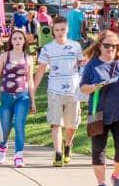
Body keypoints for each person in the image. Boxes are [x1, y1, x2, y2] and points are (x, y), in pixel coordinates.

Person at [79, 31, 119, 186]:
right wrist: (95, 86)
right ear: (100, 46)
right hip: (98, 112)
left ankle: (116, 176)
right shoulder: (92, 65)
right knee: (98, 151)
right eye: (107, 45)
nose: (111, 48)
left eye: (114, 45)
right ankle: (101, 184)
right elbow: (83, 87)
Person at [33, 16, 84, 167]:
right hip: (54, 91)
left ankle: (68, 145)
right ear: (53, 31)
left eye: (63, 29)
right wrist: (33, 91)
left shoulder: (76, 46)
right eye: (57, 30)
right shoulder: (48, 49)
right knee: (56, 123)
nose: (60, 32)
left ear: (67, 29)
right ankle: (58, 153)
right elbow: (40, 71)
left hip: (73, 91)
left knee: (71, 125)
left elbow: (82, 67)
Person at [0, 29, 36, 168]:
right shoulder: (5, 56)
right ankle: (2, 146)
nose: (17, 41)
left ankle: (18, 156)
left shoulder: (28, 58)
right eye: (14, 38)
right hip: (6, 96)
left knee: (19, 125)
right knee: (5, 126)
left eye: (20, 38)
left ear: (24, 41)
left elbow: (30, 80)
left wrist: (32, 100)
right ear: (11, 41)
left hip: (23, 96)